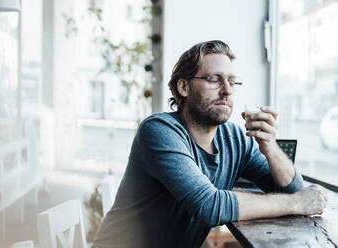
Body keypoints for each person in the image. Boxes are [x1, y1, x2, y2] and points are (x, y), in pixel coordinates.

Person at [92, 40, 328, 248]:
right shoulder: (159, 130)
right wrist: (297, 203)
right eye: (214, 79)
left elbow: (296, 190)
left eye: (232, 82)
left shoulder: (234, 139)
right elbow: (210, 206)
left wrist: (270, 148)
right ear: (183, 87)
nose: (226, 91)